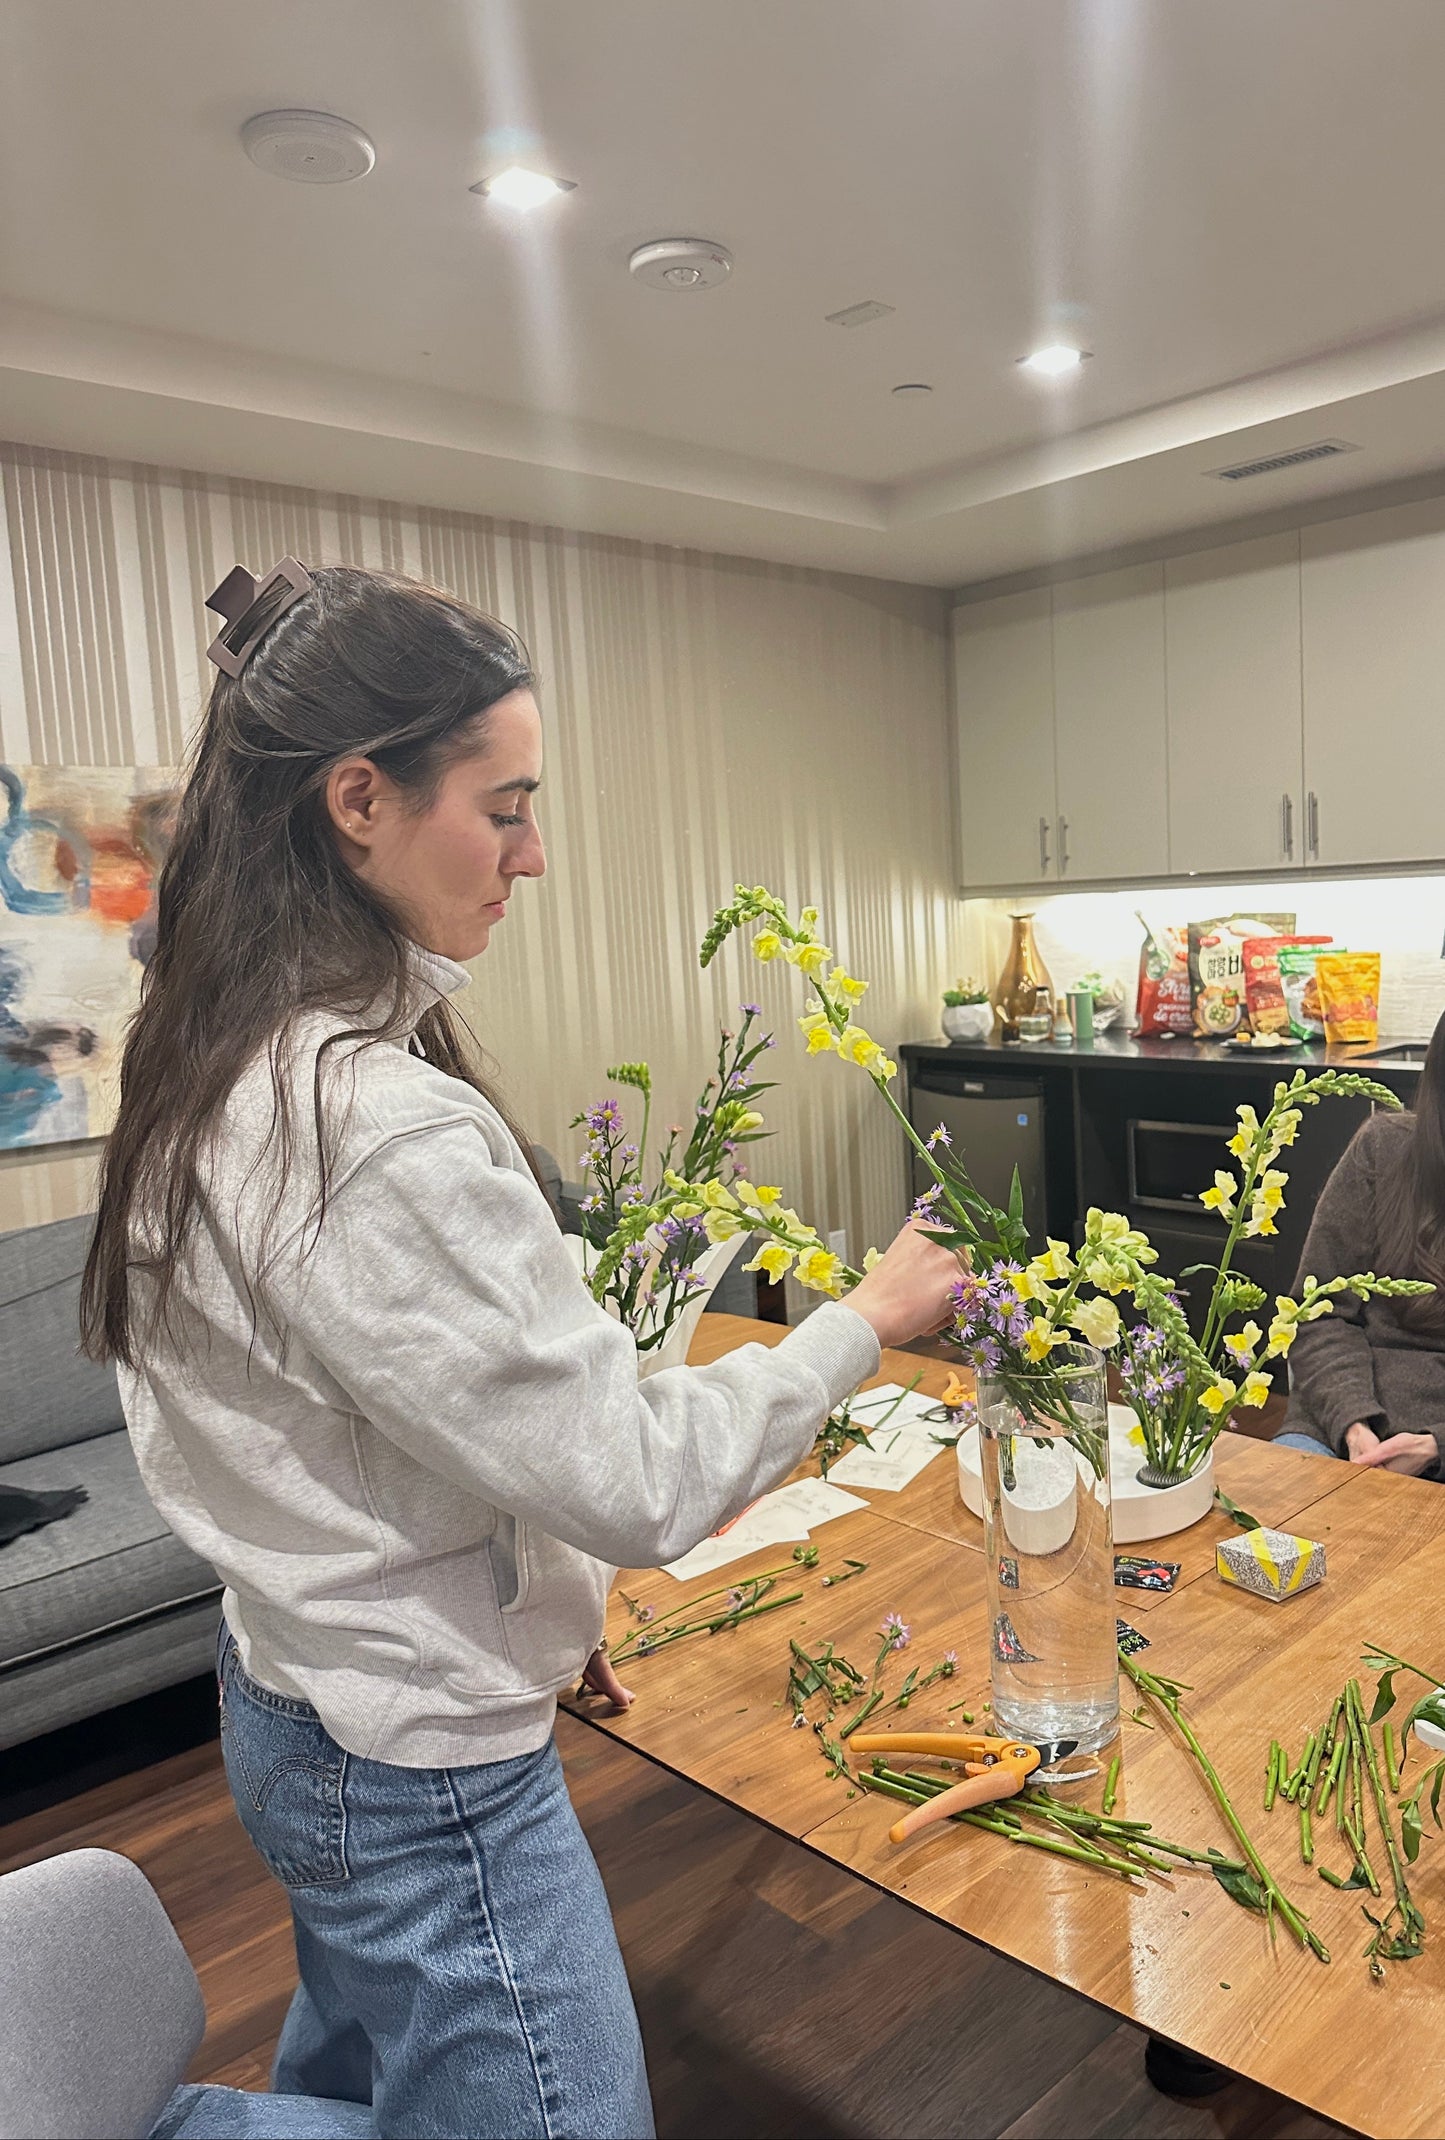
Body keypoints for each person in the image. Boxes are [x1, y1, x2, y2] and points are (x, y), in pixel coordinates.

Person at [82, 559, 961, 2140]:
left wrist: (532, 1594)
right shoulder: (365, 1127)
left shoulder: (211, 1060)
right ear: (360, 799)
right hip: (414, 1770)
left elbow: (395, 1429)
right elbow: (628, 1477)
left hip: (298, 1691)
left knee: (368, 2068)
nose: (534, 854)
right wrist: (866, 1324)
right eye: (505, 806)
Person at [1275, 1018, 1445, 1479]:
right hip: (1340, 1423)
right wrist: (1354, 1424)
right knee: (1270, 1538)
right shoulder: (1382, 1149)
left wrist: (1437, 1445)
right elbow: (1317, 1313)